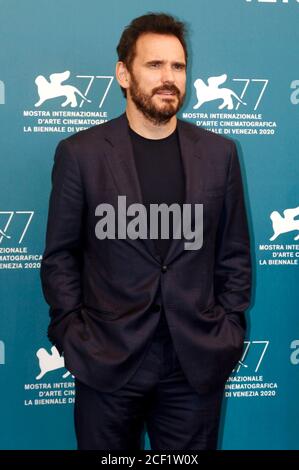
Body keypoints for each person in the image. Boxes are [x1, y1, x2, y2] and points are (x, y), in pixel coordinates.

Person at [40, 12, 251, 450]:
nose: (168, 77)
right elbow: (60, 256)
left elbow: (233, 255)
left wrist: (229, 329)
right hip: (107, 360)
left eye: (177, 66)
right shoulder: (80, 155)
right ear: (124, 73)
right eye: (154, 65)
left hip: (193, 362)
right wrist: (71, 333)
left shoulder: (219, 154)